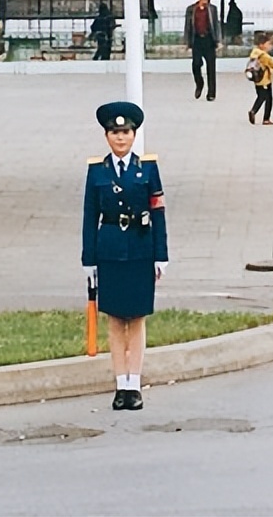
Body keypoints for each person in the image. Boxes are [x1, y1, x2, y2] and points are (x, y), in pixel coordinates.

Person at [81, 102, 168, 411]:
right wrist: (88, 260)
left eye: (126, 132)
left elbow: (158, 212)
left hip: (141, 248)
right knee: (116, 320)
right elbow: (89, 216)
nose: (121, 138)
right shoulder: (96, 171)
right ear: (106, 136)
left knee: (138, 318)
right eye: (115, 133)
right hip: (110, 250)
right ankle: (121, 384)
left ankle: (135, 382)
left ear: (134, 135)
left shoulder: (148, 169)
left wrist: (161, 254)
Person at [183, 0, 221, 100]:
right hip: (197, 40)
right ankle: (199, 83)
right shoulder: (191, 9)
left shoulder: (212, 9)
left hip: (209, 40)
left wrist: (218, 41)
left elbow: (216, 25)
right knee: (196, 64)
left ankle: (211, 93)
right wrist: (187, 42)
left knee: (211, 67)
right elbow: (188, 26)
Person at [246, 31, 273, 125]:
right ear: (262, 45)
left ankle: (261, 115)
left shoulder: (254, 53)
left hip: (257, 80)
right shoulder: (264, 56)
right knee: (266, 98)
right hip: (265, 80)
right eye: (268, 44)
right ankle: (259, 114)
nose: (270, 46)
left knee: (261, 96)